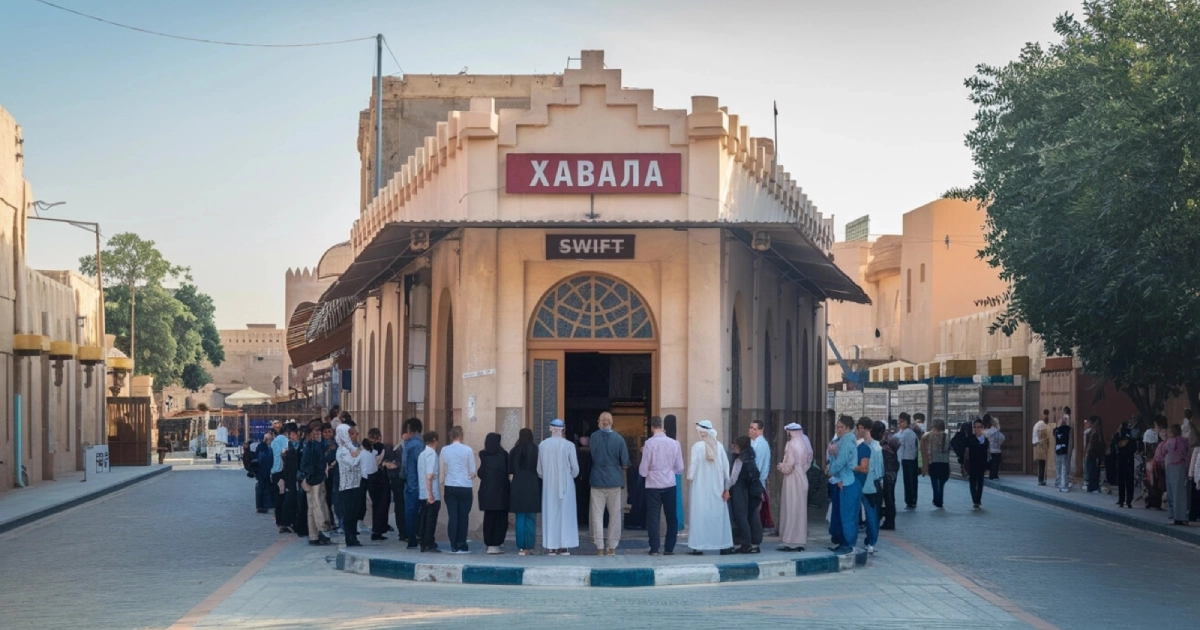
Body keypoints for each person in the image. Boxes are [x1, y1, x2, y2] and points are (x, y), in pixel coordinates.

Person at [687, 420, 733, 555]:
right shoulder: (719, 446)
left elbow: (692, 468)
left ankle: (698, 546)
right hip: (717, 487)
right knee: (718, 515)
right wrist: (726, 487)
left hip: (700, 488)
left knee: (700, 515)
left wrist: (690, 477)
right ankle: (723, 545)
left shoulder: (697, 447)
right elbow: (726, 470)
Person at [641, 415, 684, 556]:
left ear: (652, 427)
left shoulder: (649, 444)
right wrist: (669, 471)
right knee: (671, 516)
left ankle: (654, 548)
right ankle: (669, 548)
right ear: (662, 426)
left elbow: (643, 469)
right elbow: (680, 467)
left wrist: (647, 474)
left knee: (653, 517)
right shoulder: (674, 443)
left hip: (653, 484)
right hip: (669, 483)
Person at [589, 412, 630, 555]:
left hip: (597, 481)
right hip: (614, 481)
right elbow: (625, 462)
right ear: (612, 422)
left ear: (599, 422)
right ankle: (612, 547)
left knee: (597, 515)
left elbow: (592, 456)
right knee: (614, 516)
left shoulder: (593, 437)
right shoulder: (619, 439)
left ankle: (599, 547)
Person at [538, 419, 580, 555]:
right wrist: (569, 476)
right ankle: (564, 546)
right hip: (566, 484)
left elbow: (540, 470)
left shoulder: (543, 445)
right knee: (566, 514)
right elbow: (575, 469)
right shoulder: (569, 445)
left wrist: (548, 478)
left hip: (549, 484)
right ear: (563, 429)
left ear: (551, 429)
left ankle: (551, 546)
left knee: (551, 513)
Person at [776, 422, 812, 551]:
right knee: (799, 510)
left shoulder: (791, 444)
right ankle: (799, 540)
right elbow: (809, 460)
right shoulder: (805, 442)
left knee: (791, 508)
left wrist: (781, 467)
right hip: (802, 477)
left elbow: (789, 465)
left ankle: (791, 540)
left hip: (793, 480)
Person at [724, 435, 764, 554]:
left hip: (741, 491)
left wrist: (726, 489)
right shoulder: (750, 457)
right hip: (753, 491)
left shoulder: (740, 460)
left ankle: (746, 544)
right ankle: (755, 543)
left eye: (735, 445)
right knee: (753, 516)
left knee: (741, 517)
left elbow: (733, 479)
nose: (733, 448)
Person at [440, 426, 476, 554]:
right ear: (461, 436)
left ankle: (453, 544)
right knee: (463, 516)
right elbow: (472, 471)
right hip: (465, 486)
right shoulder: (468, 450)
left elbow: (442, 471)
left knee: (453, 516)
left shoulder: (444, 450)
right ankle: (462, 543)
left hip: (450, 486)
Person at [828, 415, 860, 555]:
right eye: (837, 427)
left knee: (847, 516)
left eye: (840, 427)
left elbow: (841, 462)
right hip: (844, 481)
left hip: (848, 482)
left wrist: (830, 471)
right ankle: (844, 543)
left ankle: (848, 544)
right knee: (843, 515)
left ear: (847, 428)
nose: (838, 430)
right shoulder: (843, 441)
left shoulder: (847, 442)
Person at [509, 428, 541, 556]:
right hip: (532, 484)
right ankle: (529, 546)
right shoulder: (536, 450)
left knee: (520, 517)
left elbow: (510, 469)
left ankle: (521, 547)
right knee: (531, 517)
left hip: (518, 485)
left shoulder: (514, 451)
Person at [477, 432, 510, 555]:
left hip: (487, 492)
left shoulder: (483, 455)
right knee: (501, 519)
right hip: (501, 492)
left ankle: (489, 543)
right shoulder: (504, 455)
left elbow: (481, 473)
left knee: (488, 518)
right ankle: (497, 543)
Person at [300, 424, 332, 546]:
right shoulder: (313, 446)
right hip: (315, 480)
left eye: (319, 432)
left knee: (312, 508)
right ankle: (320, 532)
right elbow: (309, 465)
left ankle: (313, 535)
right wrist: (312, 478)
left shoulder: (310, 445)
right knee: (317, 506)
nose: (318, 434)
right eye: (316, 432)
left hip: (312, 479)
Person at [854, 418, 882, 555]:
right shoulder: (877, 446)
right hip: (873, 483)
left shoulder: (861, 446)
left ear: (863, 428)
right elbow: (880, 469)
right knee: (872, 514)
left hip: (863, 481)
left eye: (858, 428)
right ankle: (871, 542)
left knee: (864, 513)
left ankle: (868, 541)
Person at [335, 424, 364, 547]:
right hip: (346, 486)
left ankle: (353, 536)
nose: (353, 436)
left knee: (354, 512)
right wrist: (362, 453)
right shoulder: (342, 451)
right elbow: (353, 462)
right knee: (348, 512)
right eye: (350, 434)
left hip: (355, 484)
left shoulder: (352, 448)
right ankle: (349, 537)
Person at [364, 428, 394, 541]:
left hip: (371, 479)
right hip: (381, 478)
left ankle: (378, 528)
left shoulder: (366, 448)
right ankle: (379, 529)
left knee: (376, 505)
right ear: (379, 437)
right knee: (383, 504)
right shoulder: (383, 448)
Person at [400, 419, 425, 549]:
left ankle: (412, 539)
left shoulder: (409, 445)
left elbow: (405, 466)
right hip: (420, 483)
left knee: (410, 512)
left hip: (411, 483)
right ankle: (420, 536)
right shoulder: (420, 444)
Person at [416, 431, 441, 552]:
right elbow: (429, 475)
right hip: (431, 492)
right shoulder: (432, 454)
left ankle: (422, 540)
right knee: (431, 519)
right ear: (435, 439)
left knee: (424, 517)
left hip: (422, 492)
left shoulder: (422, 454)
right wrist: (431, 494)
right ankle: (428, 542)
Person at [748, 420, 774, 534]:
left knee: (756, 509)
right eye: (750, 428)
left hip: (757, 480)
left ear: (760, 430)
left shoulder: (762, 444)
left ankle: (756, 533)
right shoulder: (752, 442)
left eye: (754, 429)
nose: (751, 431)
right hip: (753, 480)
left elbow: (758, 464)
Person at [1162, 424, 1190, 525]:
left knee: (1171, 491)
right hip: (1181, 466)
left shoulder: (1169, 442)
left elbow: (1164, 451)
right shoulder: (1184, 441)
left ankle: (1173, 514)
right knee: (1180, 492)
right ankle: (1181, 515)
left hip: (1171, 466)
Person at [921, 419, 952, 508]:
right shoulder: (946, 437)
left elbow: (925, 449)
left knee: (934, 482)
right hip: (944, 463)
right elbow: (947, 450)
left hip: (934, 462)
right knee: (941, 483)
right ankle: (939, 500)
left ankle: (936, 499)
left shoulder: (929, 436)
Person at [895, 413, 919, 509]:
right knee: (909, 480)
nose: (900, 424)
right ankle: (910, 499)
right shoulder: (903, 432)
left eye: (902, 422)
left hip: (909, 459)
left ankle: (911, 499)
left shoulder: (908, 433)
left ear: (907, 422)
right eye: (899, 422)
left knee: (910, 480)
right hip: (907, 459)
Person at [965, 419, 989, 508]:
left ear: (983, 428)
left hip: (982, 464)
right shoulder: (970, 439)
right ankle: (975, 499)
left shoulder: (985, 440)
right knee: (973, 482)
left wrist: (988, 466)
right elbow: (966, 452)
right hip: (972, 463)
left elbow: (988, 454)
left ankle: (978, 500)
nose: (976, 429)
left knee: (980, 482)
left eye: (979, 427)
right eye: (975, 427)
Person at [1112, 422, 1137, 508]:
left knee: (1128, 481)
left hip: (1128, 460)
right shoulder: (1117, 435)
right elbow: (1115, 444)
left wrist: (1124, 443)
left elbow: (1133, 446)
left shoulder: (1129, 435)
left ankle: (1128, 500)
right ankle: (1122, 500)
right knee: (1121, 480)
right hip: (1122, 460)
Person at [879, 427, 899, 530]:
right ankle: (889, 520)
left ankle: (889, 521)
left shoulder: (884, 445)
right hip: (892, 473)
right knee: (889, 498)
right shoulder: (893, 440)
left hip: (887, 474)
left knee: (888, 498)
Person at [255, 430, 276, 514]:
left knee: (264, 488)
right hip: (263, 471)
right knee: (262, 488)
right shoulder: (263, 447)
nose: (271, 440)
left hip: (265, 470)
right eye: (270, 439)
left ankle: (264, 505)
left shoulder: (267, 447)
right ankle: (261, 506)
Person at [1084, 416, 1106, 493]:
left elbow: (1094, 445)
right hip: (1093, 454)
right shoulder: (1093, 432)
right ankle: (1092, 485)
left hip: (1094, 454)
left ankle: (1093, 486)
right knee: (1092, 470)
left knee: (1093, 470)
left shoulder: (1096, 433)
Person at [1054, 411, 1072, 492]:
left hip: (1060, 450)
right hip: (1061, 450)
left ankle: (1062, 483)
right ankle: (1062, 483)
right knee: (1062, 467)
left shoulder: (1062, 430)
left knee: (1062, 467)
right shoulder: (1066, 430)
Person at [983, 415, 1005, 480]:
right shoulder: (997, 432)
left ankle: (989, 474)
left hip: (989, 450)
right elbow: (1002, 438)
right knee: (996, 464)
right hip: (997, 449)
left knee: (990, 463)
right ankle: (994, 475)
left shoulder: (985, 432)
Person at [1034, 410, 1051, 486]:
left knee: (1041, 463)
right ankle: (1041, 479)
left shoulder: (1038, 425)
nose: (1047, 417)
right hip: (1042, 446)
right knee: (1042, 463)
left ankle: (1041, 479)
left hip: (1039, 446)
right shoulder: (1042, 425)